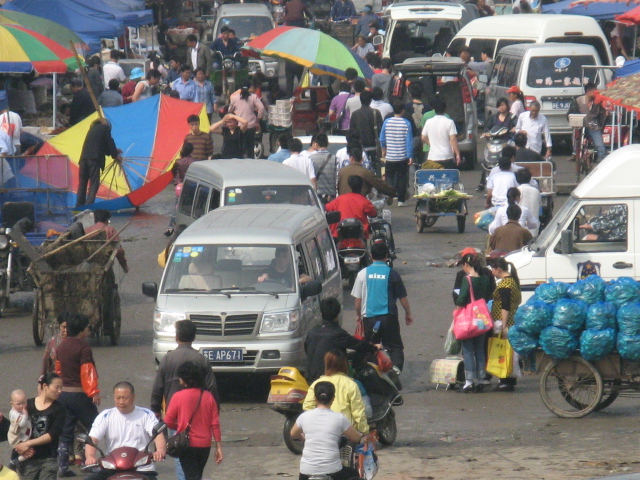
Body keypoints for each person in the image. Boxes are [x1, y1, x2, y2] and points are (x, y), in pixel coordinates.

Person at [85, 382, 166, 480]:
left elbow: (158, 435)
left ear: (133, 397)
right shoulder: (105, 416)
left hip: (142, 467)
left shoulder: (146, 415)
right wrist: (90, 456)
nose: (121, 402)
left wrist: (160, 451)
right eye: (118, 398)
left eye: (125, 398)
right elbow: (92, 439)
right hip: (113, 467)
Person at [352, 243, 413, 370]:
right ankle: (395, 370)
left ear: (370, 255)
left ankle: (374, 372)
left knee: (371, 346)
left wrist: (358, 315)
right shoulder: (393, 274)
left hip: (370, 318)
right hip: (388, 317)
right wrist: (408, 314)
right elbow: (403, 297)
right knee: (394, 347)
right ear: (386, 256)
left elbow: (358, 299)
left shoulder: (362, 274)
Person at [55, 313, 100, 477]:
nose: (88, 329)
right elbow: (87, 371)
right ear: (81, 330)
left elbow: (58, 371)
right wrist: (93, 392)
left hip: (63, 395)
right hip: (80, 395)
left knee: (66, 432)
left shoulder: (61, 346)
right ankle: (91, 462)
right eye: (87, 327)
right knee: (96, 427)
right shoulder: (83, 347)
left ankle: (63, 466)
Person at [291, 382, 364, 480]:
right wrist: (364, 437)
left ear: (315, 398)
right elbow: (356, 438)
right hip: (333, 471)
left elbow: (293, 434)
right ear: (333, 398)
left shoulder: (304, 417)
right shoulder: (339, 418)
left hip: (307, 472)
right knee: (354, 473)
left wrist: (303, 438)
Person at [163, 362, 222, 480]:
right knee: (197, 475)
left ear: (184, 379)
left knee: (190, 475)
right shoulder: (208, 396)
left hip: (187, 444)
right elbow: (215, 424)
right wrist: (219, 447)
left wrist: (181, 426)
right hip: (205, 445)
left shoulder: (178, 396)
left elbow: (168, 421)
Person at [305, 298, 378, 384]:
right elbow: (358, 344)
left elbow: (307, 350)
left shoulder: (312, 332)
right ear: (337, 314)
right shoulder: (337, 333)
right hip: (332, 380)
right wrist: (373, 347)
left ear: (321, 313)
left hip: (310, 379)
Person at [302, 351, 368, 434]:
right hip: (345, 432)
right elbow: (358, 412)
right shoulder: (351, 384)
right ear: (344, 365)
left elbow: (307, 407)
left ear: (326, 364)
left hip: (321, 431)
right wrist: (364, 431)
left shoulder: (317, 383)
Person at [15, 373, 65, 480]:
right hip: (27, 458)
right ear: (45, 386)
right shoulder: (27, 405)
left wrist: (28, 443)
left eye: (61, 388)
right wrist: (20, 447)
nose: (60, 391)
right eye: (56, 387)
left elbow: (53, 434)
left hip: (48, 459)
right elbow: (15, 429)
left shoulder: (59, 409)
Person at [454, 254, 492, 393]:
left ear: (466, 265)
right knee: (480, 349)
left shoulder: (467, 280)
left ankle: (469, 381)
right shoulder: (485, 279)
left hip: (468, 320)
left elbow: (462, 299)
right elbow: (488, 296)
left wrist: (457, 311)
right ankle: (481, 379)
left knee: (468, 349)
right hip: (481, 318)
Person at [488, 256, 521, 391]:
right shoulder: (513, 281)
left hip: (504, 322)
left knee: (504, 351)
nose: (491, 272)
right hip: (513, 320)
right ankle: (509, 379)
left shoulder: (505, 285)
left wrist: (503, 325)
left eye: (492, 269)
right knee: (510, 351)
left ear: (498, 269)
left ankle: (505, 380)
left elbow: (505, 307)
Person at [76, 119, 122, 207]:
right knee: (94, 183)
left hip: (83, 159)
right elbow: (109, 142)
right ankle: (88, 205)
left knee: (82, 183)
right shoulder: (105, 128)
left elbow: (100, 146)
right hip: (93, 160)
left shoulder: (92, 130)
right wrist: (115, 156)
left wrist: (114, 151)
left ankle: (79, 205)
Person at [380, 100, 413, 206]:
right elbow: (409, 142)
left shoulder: (387, 122)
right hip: (402, 156)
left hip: (390, 156)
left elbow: (382, 138)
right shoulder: (406, 123)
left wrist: (383, 149)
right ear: (403, 110)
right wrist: (410, 156)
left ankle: (390, 193)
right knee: (402, 177)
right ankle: (401, 200)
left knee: (389, 176)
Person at [325, 175, 377, 239]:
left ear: (349, 186)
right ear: (361, 186)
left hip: (339, 235)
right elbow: (373, 213)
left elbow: (327, 208)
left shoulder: (340, 199)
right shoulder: (364, 201)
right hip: (359, 235)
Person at [567, 82, 607, 162]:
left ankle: (604, 160)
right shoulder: (578, 101)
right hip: (580, 125)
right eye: (594, 90)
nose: (596, 92)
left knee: (600, 145)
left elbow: (602, 116)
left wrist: (604, 116)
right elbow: (570, 114)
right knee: (575, 135)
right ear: (588, 91)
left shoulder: (598, 102)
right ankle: (575, 153)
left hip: (593, 126)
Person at [421, 96, 461, 170]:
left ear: (434, 110)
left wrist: (432, 144)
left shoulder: (429, 122)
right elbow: (453, 139)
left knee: (434, 179)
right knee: (447, 178)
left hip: (433, 156)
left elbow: (423, 137)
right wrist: (457, 154)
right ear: (445, 109)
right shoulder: (449, 122)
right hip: (447, 156)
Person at [349, 91, 383, 173]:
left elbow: (351, 132)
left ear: (360, 100)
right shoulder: (376, 112)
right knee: (376, 171)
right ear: (371, 100)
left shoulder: (355, 114)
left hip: (360, 148)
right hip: (374, 147)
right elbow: (381, 131)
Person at [229, 83, 264, 159]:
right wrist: (258, 118)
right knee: (250, 146)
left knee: (240, 146)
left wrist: (235, 114)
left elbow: (230, 110)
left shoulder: (235, 98)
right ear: (249, 88)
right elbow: (261, 108)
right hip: (251, 125)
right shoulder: (253, 97)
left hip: (239, 126)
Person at [306, 134, 336, 200]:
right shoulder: (335, 159)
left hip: (317, 195)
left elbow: (310, 177)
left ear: (316, 144)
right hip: (331, 195)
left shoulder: (310, 159)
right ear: (328, 144)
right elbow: (337, 178)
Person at [8, 390, 31, 469]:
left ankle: (15, 461)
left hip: (24, 434)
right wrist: (25, 414)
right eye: (18, 404)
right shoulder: (15, 414)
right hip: (18, 437)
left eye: (24, 402)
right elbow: (22, 424)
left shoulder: (18, 410)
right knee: (19, 449)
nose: (22, 406)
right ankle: (15, 461)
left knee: (18, 450)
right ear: (12, 404)